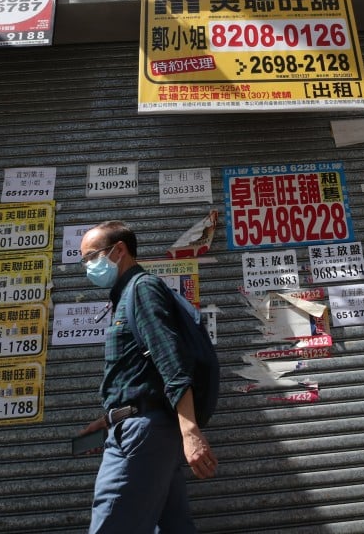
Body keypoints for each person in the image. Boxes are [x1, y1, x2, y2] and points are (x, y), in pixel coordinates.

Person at [76, 220, 218, 534]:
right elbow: (141, 372)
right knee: (173, 527)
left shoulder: (141, 289)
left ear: (119, 250)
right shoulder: (126, 295)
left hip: (142, 437)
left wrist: (190, 430)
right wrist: (110, 419)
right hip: (144, 430)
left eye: (91, 257)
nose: (87, 266)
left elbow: (170, 358)